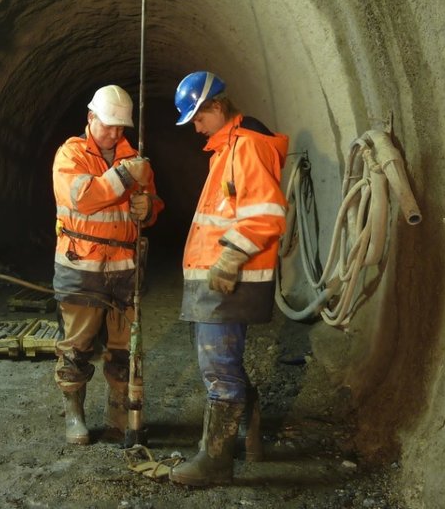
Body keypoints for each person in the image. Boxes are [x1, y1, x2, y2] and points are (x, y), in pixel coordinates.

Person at [168, 71, 288, 486]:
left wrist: (231, 257)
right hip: (218, 281)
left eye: (198, 117)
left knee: (217, 370)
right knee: (225, 364)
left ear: (217, 106)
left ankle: (216, 461)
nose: (196, 126)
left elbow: (267, 213)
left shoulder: (248, 146)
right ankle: (250, 435)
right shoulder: (227, 149)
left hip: (229, 281)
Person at [52, 84, 165, 445]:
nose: (116, 134)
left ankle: (119, 416)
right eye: (109, 125)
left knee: (123, 349)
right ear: (91, 118)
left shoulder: (135, 159)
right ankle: (75, 416)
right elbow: (84, 198)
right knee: (76, 347)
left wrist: (149, 210)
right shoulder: (71, 155)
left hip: (124, 268)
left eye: (121, 128)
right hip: (80, 268)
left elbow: (152, 202)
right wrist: (126, 176)